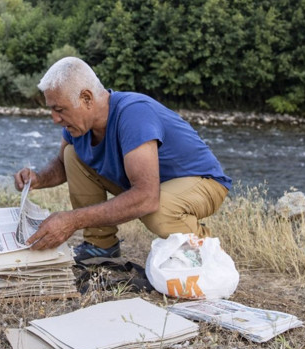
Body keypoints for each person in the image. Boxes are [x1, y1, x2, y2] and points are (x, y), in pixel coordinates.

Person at [14, 57, 231, 264]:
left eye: (59, 109)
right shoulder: (77, 127)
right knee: (72, 154)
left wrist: (72, 220)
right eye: (51, 109)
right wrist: (39, 178)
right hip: (150, 186)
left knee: (157, 211)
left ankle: (206, 250)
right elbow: (62, 164)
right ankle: (101, 246)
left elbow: (146, 197)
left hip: (202, 181)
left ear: (86, 99)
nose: (54, 118)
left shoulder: (133, 114)